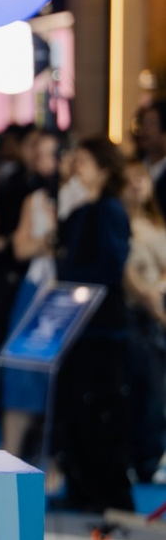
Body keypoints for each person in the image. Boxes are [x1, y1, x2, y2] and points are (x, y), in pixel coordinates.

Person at [52, 136, 135, 513]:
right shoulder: (84, 209)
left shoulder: (108, 210)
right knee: (76, 411)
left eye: (84, 161)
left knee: (100, 412)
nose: (76, 167)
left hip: (101, 329)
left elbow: (110, 267)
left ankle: (109, 494)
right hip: (77, 324)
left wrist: (70, 278)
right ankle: (82, 488)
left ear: (104, 169)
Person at [0, 131, 61, 459]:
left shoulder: (84, 199)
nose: (44, 162)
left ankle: (55, 458)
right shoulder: (33, 199)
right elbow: (21, 248)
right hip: (36, 287)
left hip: (69, 292)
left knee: (61, 377)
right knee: (21, 367)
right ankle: (10, 451)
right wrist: (50, 242)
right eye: (39, 154)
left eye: (51, 154)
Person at [121, 160, 166, 482]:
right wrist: (155, 308)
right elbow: (127, 275)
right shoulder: (118, 224)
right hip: (135, 314)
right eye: (130, 180)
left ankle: (151, 456)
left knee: (156, 389)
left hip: (158, 308)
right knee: (143, 388)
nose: (137, 185)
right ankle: (141, 458)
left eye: (142, 179)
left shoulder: (157, 225)